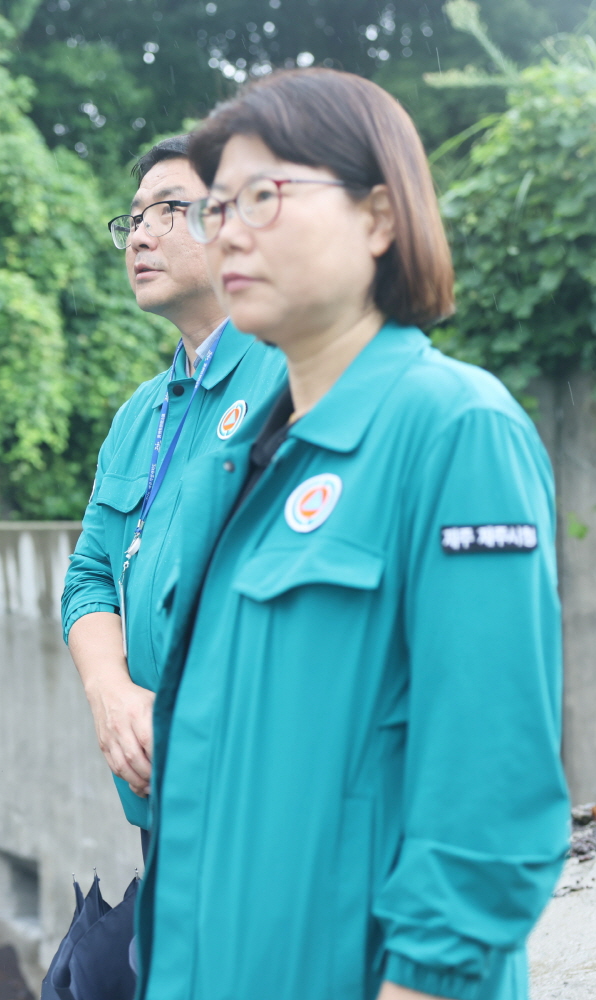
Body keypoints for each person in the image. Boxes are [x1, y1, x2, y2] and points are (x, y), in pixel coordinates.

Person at [134, 69, 568, 1000]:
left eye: (263, 195)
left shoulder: (455, 432)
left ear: (379, 217)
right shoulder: (245, 456)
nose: (229, 229)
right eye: (216, 206)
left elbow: (490, 800)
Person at [63, 136, 287, 831]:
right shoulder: (143, 412)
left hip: (262, 798)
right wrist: (112, 692)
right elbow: (91, 574)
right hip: (160, 805)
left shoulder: (292, 377)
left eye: (167, 210)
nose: (140, 236)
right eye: (133, 218)